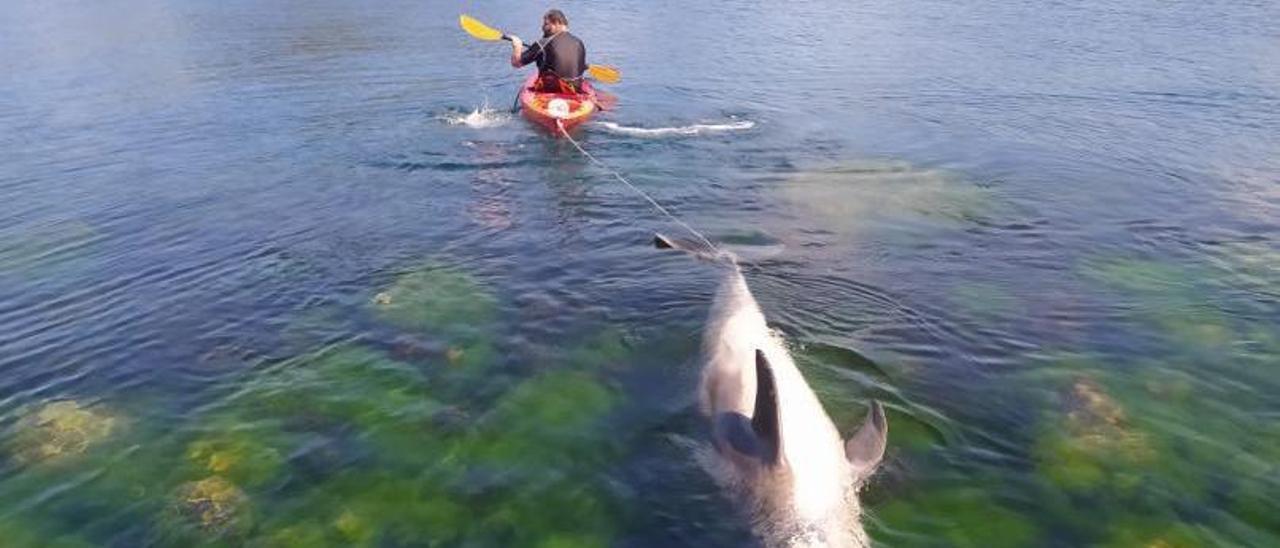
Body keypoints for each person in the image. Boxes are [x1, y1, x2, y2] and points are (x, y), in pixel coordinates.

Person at [508, 9, 589, 94]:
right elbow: (579, 68)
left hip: (551, 91)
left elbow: (516, 63)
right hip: (575, 90)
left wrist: (517, 46)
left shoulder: (543, 43)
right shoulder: (579, 42)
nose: (542, 27)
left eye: (546, 24)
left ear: (557, 23)